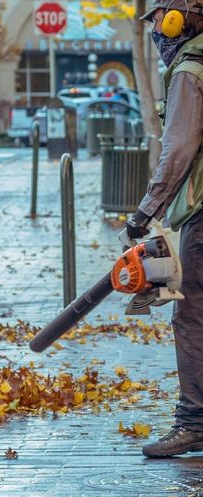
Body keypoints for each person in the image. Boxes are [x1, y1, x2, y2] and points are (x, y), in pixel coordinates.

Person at [127, 0, 203, 457]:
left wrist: (143, 214)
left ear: (177, 18)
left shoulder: (190, 70)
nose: (154, 28)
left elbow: (178, 150)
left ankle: (193, 422)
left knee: (192, 314)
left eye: (156, 18)